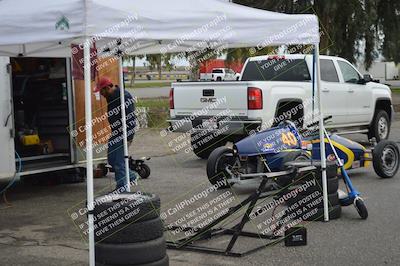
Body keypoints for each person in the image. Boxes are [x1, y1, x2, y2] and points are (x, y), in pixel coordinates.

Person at [94, 76, 137, 191]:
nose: (101, 94)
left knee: (118, 162)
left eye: (101, 91)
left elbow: (131, 118)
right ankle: (132, 177)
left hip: (124, 133)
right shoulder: (111, 96)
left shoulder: (124, 97)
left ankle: (121, 188)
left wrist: (128, 137)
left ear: (107, 88)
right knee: (112, 160)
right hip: (116, 133)